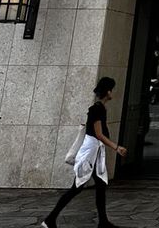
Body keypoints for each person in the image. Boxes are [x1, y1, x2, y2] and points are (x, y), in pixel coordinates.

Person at [41, 76, 127, 228]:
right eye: (111, 89)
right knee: (77, 187)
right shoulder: (97, 109)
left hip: (94, 152)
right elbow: (99, 134)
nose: (112, 92)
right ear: (107, 91)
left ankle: (103, 222)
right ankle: (50, 219)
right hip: (90, 153)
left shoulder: (100, 108)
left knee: (100, 185)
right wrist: (116, 147)